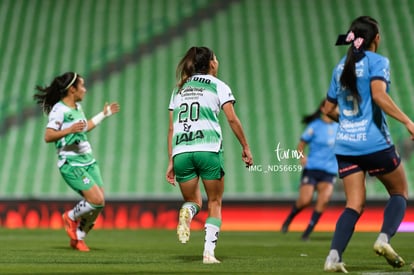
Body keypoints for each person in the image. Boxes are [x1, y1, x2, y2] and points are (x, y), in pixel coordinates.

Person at [322, 16, 414, 273]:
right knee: (399, 192)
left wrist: (350, 123)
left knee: (354, 204)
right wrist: (408, 121)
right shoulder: (377, 61)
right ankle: (383, 239)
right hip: (374, 143)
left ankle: (333, 257)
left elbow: (328, 109)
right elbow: (378, 95)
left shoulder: (340, 67)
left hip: (346, 146)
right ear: (376, 39)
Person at [165, 46, 253, 264]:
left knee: (193, 201)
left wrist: (171, 161)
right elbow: (232, 119)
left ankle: (186, 213)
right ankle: (208, 253)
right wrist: (245, 146)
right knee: (215, 201)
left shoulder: (179, 89)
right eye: (216, 59)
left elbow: (171, 128)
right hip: (208, 149)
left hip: (181, 151)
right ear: (212, 64)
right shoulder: (219, 86)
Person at [33, 72, 120, 251]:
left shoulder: (77, 107)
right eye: (82, 86)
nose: (85, 90)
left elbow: (84, 127)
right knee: (96, 200)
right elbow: (48, 136)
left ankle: (78, 237)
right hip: (72, 163)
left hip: (88, 160)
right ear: (72, 89)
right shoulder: (59, 110)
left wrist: (103, 115)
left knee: (99, 202)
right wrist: (69, 130)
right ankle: (70, 216)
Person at [281, 100, 338, 241]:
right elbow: (300, 145)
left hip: (329, 170)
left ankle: (307, 232)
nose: (337, 109)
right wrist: (302, 157)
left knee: (323, 200)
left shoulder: (340, 127)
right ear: (324, 109)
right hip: (312, 168)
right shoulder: (315, 126)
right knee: (305, 200)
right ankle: (290, 218)